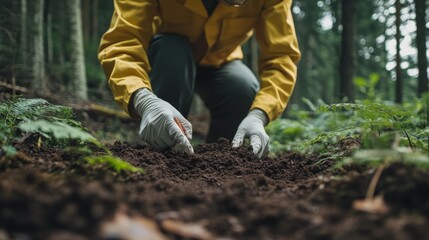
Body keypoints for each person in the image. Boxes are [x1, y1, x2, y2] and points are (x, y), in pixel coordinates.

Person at [98, 0, 300, 158]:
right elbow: (123, 42)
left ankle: (220, 162)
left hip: (220, 61)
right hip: (166, 57)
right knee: (174, 53)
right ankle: (158, 156)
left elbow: (281, 56)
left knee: (241, 86)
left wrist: (260, 114)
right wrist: (143, 100)